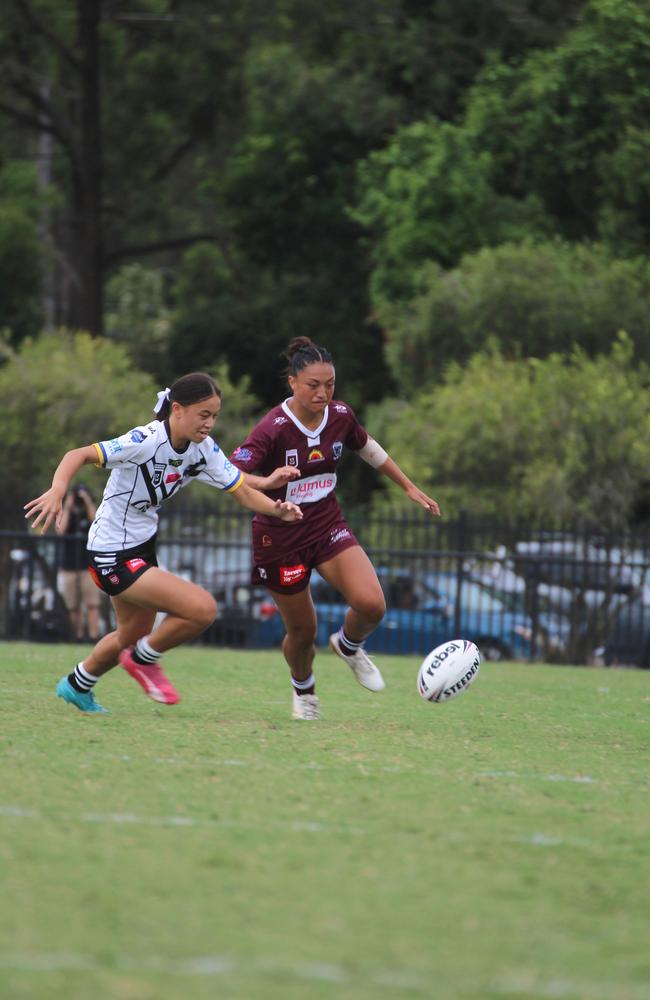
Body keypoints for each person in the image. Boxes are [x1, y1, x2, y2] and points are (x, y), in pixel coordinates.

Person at [24, 372, 303, 714]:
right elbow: (77, 454)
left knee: (132, 631)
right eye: (204, 415)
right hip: (110, 552)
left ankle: (77, 684)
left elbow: (241, 490)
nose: (210, 423)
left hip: (140, 547)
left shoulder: (201, 450)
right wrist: (57, 490)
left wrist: (277, 507)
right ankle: (144, 660)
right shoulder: (144, 440)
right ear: (177, 409)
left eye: (214, 415)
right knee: (201, 609)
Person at [230, 336, 440, 721]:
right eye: (313, 385)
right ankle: (304, 690)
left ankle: (347, 645)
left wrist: (409, 486)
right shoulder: (272, 428)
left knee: (373, 604)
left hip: (326, 525)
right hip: (279, 537)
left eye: (329, 384)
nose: (323, 393)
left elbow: (367, 446)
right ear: (293, 382)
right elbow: (233, 474)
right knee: (302, 633)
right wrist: (270, 485)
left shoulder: (341, 415)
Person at [57, 485, 102, 640]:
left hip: (87, 566)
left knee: (92, 604)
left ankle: (93, 636)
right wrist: (68, 506)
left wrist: (88, 502)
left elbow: (97, 522)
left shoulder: (88, 511)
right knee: (73, 606)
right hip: (68, 566)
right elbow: (60, 530)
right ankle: (76, 635)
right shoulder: (66, 512)